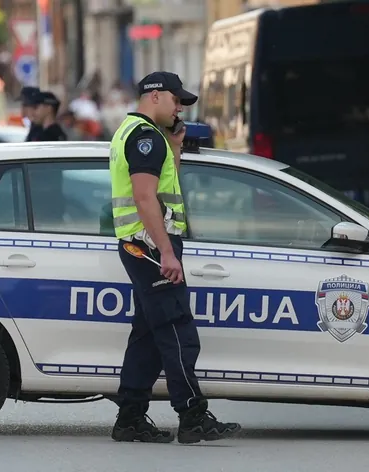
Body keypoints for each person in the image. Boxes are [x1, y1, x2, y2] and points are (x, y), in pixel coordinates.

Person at [107, 71, 241, 444]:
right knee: (178, 330)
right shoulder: (146, 137)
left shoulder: (137, 134)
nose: (180, 107)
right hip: (150, 246)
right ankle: (193, 416)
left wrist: (176, 149)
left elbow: (162, 188)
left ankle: (130, 418)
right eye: (175, 100)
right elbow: (145, 197)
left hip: (142, 244)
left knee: (148, 335)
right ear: (154, 96)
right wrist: (166, 251)